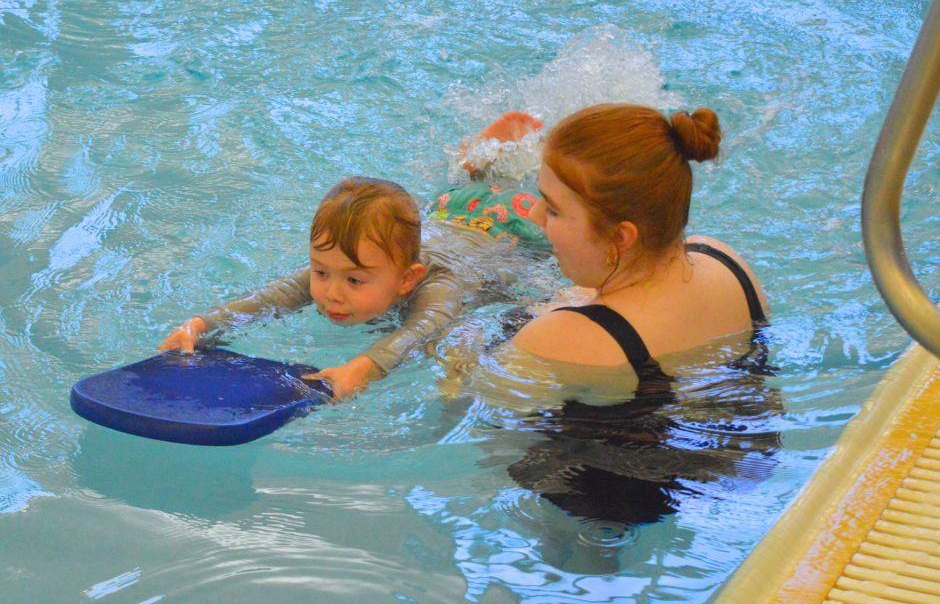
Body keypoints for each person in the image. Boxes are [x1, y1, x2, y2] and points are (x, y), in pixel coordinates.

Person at [159, 113, 546, 399]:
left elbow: (422, 329)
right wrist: (200, 326)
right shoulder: (341, 264)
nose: (332, 294)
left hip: (509, 230)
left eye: (354, 280)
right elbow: (269, 298)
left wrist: (360, 368)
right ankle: (482, 164)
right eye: (321, 272)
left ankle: (489, 158)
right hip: (447, 214)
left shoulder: (439, 285)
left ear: (407, 279)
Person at [511, 103, 769, 380]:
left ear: (620, 237)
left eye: (553, 210)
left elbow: (462, 392)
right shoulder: (723, 260)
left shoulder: (559, 340)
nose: (533, 214)